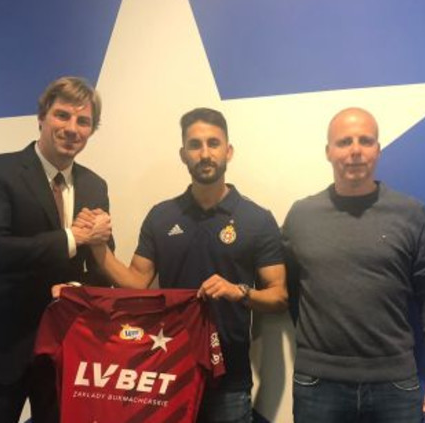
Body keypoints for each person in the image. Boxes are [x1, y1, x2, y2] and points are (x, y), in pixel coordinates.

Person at [81, 107, 288, 423]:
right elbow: (136, 281)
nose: (205, 153)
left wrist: (240, 292)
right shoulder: (161, 216)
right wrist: (98, 246)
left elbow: (279, 296)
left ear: (228, 151)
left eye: (213, 143)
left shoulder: (257, 219)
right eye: (195, 145)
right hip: (168, 373)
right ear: (183, 154)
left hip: (230, 380)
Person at [0, 76, 113, 423]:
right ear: (42, 117)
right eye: (62, 115)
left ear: (91, 130)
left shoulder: (95, 185)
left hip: (64, 351)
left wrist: (77, 289)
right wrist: (71, 238)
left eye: (83, 121)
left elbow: (101, 267)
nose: (72, 128)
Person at [282, 107, 425, 422]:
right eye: (344, 141)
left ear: (378, 149)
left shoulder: (411, 213)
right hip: (318, 384)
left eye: (365, 140)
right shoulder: (301, 216)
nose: (355, 150)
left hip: (395, 384)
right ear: (328, 151)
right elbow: (290, 290)